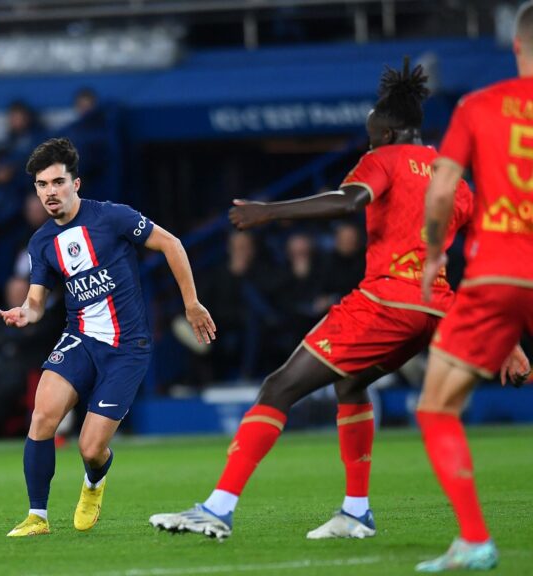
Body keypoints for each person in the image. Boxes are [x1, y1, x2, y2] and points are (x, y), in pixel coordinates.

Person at [148, 59, 529, 542]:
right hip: (435, 310)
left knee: (278, 388)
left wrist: (271, 212)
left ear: (388, 133)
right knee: (350, 386)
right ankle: (356, 512)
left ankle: (217, 508)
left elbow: (349, 201)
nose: (369, 144)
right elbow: (489, 257)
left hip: (386, 301)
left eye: (372, 137)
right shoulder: (458, 181)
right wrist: (508, 338)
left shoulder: (384, 160)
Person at [0, 137, 215, 537]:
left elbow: (171, 243)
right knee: (42, 415)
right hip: (79, 339)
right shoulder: (41, 242)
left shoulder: (112, 217)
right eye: (42, 185)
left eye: (58, 182)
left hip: (126, 348)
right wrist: (25, 313)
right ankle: (37, 517)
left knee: (90, 448)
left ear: (75, 184)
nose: (50, 192)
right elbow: (36, 299)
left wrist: (191, 304)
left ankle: (94, 482)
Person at [415, 2, 533, 570]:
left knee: (437, 407)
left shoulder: (479, 106)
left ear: (516, 46)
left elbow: (440, 192)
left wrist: (435, 253)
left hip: (501, 274)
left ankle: (475, 540)